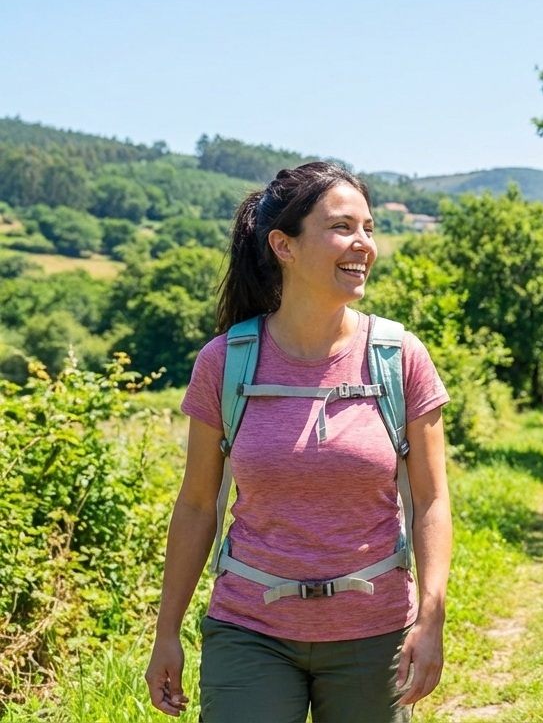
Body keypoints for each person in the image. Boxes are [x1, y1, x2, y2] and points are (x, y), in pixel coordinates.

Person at [143, 161, 452, 721]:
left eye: (370, 228)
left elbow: (431, 499)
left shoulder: (399, 357)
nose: (364, 244)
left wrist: (431, 617)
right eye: (342, 227)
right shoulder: (227, 362)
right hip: (250, 628)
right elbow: (195, 505)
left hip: (373, 630)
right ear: (283, 245)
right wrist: (167, 632)